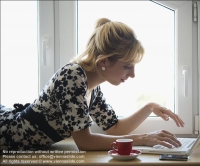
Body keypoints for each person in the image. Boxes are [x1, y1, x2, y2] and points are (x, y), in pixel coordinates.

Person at [0, 18, 184, 151]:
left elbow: (114, 128)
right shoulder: (72, 76)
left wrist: (149, 107)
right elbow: (85, 142)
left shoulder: (91, 88)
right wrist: (142, 138)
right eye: (127, 66)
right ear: (103, 62)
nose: (133, 74)